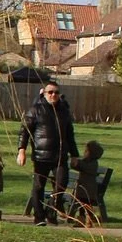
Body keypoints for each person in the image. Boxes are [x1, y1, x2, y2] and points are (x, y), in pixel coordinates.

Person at [17, 80, 79, 225]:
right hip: (41, 156)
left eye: (56, 92)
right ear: (44, 93)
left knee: (61, 184)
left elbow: (70, 135)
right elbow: (24, 132)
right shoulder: (35, 110)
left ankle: (51, 211)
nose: (53, 95)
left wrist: (75, 155)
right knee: (39, 186)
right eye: (50, 92)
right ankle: (39, 217)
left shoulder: (64, 112)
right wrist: (21, 150)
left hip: (60, 156)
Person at [70, 139, 105, 225]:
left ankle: (91, 219)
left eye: (86, 151)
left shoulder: (93, 163)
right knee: (81, 206)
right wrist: (74, 162)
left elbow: (83, 167)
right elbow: (77, 166)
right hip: (81, 188)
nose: (84, 152)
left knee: (87, 205)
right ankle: (81, 219)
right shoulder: (86, 161)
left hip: (88, 190)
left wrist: (77, 162)